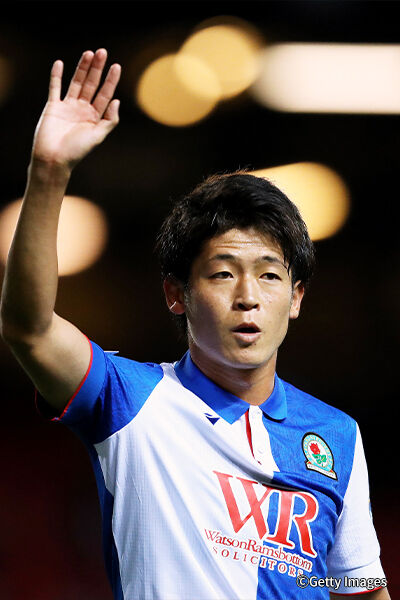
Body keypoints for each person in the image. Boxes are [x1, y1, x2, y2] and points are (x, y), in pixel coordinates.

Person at [0, 49, 390, 600]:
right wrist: (49, 171)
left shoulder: (337, 436)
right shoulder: (128, 401)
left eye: (270, 276)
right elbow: (30, 328)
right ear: (176, 294)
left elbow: (360, 586)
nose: (248, 297)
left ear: (296, 298)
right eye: (223, 274)